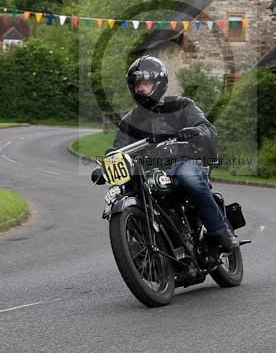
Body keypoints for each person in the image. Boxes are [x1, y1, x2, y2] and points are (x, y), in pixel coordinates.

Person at [98, 55, 238, 252]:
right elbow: (119, 147)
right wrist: (108, 162)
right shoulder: (129, 121)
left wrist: (195, 131)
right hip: (150, 172)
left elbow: (208, 128)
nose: (140, 89)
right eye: (137, 84)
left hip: (183, 162)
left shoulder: (181, 105)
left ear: (159, 83)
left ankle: (220, 232)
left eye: (145, 83)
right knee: (127, 191)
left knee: (188, 177)